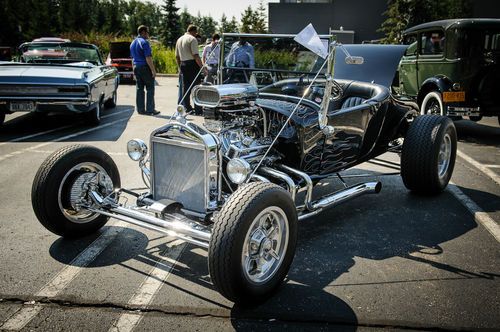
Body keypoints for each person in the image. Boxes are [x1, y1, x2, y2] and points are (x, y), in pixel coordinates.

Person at [175, 25, 205, 115]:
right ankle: (198, 109)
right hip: (192, 64)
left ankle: (187, 108)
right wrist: (202, 67)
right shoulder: (192, 39)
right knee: (196, 87)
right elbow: (196, 55)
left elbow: (177, 56)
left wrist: (180, 67)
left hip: (183, 64)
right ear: (194, 31)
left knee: (185, 88)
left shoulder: (179, 39)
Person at [130, 25, 159, 115]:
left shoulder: (132, 43)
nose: (148, 35)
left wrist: (133, 71)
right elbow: (148, 57)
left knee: (139, 89)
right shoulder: (144, 42)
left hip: (136, 67)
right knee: (150, 88)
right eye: (147, 32)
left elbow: (132, 58)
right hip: (144, 67)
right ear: (143, 32)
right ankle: (150, 109)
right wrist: (153, 70)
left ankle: (140, 109)